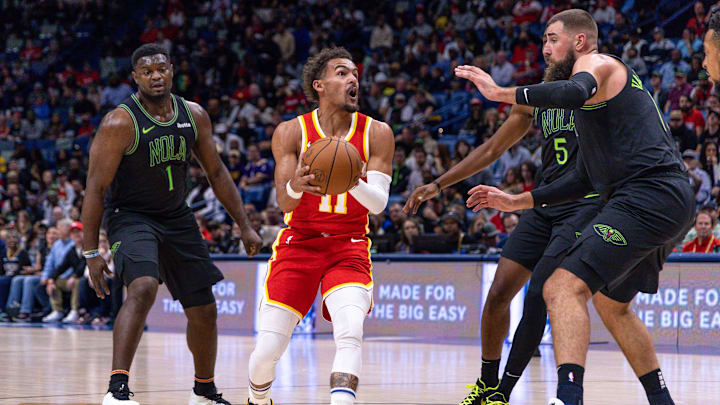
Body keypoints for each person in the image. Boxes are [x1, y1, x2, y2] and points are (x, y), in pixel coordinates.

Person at [456, 9, 694, 405]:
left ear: (579, 41)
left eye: (552, 39)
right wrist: (518, 200)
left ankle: (567, 397)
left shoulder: (596, 65)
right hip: (665, 200)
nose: (545, 48)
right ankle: (661, 400)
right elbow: (583, 178)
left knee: (561, 287)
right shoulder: (593, 109)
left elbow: (570, 91)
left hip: (648, 196)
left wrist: (500, 93)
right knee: (611, 304)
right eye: (544, 41)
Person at [82, 43, 262, 405]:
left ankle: (204, 391)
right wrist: (90, 251)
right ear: (135, 77)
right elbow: (96, 189)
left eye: (161, 69)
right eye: (147, 71)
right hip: (131, 216)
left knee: (205, 309)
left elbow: (216, 171)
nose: (155, 76)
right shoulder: (119, 122)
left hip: (177, 216)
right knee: (144, 287)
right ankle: (117, 390)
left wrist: (244, 224)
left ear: (172, 70)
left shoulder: (193, 114)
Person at [247, 47, 394, 405]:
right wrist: (297, 184)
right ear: (320, 85)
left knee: (350, 333)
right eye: (342, 73)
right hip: (299, 243)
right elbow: (284, 202)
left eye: (355, 73)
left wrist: (353, 180)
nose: (353, 79)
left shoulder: (377, 132)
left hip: (349, 245)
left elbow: (379, 204)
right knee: (267, 350)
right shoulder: (290, 131)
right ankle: (258, 398)